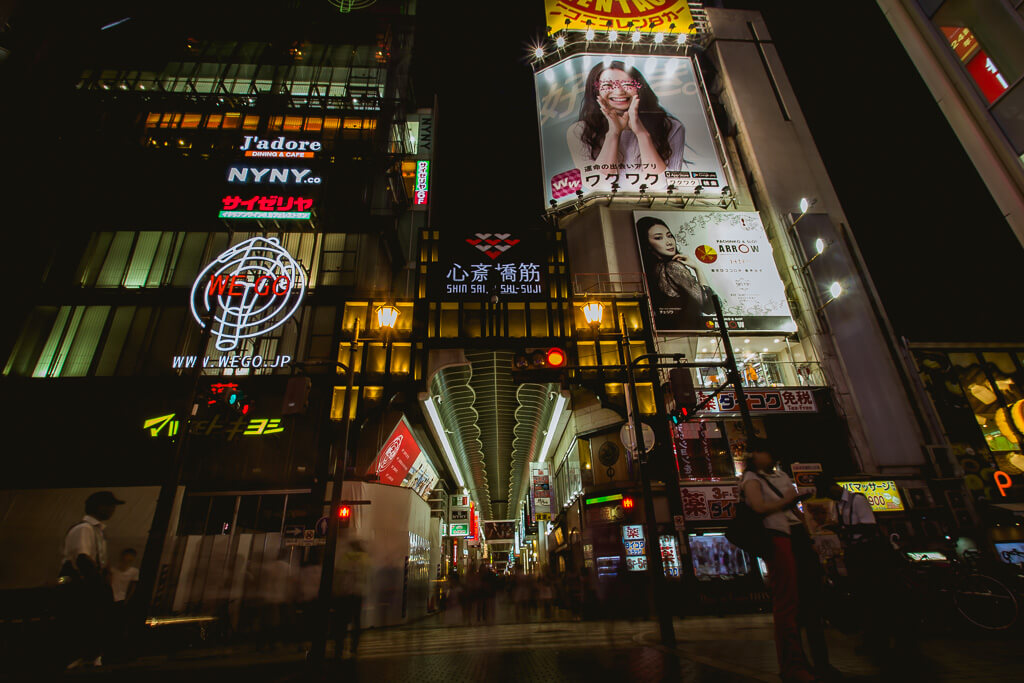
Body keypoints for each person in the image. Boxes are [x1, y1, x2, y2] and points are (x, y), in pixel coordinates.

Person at [741, 442, 832, 682]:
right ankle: (793, 665)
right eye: (762, 452)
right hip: (776, 537)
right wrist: (789, 501)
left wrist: (809, 529)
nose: (766, 456)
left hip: (794, 536)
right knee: (787, 603)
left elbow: (793, 512)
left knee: (806, 601)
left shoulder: (780, 475)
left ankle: (815, 663)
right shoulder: (751, 478)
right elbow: (759, 507)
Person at [567, 61, 685, 187]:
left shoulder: (671, 127)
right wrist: (613, 133)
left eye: (627, 84)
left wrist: (642, 134)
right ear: (595, 91)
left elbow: (665, 185)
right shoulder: (579, 131)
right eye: (607, 85)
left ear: (640, 88)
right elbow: (598, 186)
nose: (619, 92)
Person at [819, 476, 896, 657]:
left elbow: (869, 526)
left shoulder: (857, 500)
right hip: (855, 554)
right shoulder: (839, 506)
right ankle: (870, 639)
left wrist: (843, 530)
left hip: (869, 553)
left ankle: (881, 641)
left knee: (874, 597)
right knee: (862, 597)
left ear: (834, 487)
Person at [59, 491, 124, 670]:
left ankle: (92, 656)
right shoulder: (84, 529)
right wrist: (97, 584)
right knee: (88, 619)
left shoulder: (97, 530)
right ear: (98, 507)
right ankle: (83, 658)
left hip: (90, 581)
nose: (112, 510)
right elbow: (83, 558)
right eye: (110, 506)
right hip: (83, 583)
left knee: (95, 621)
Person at [636, 216, 714, 330]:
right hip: (689, 329)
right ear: (647, 244)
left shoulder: (651, 270)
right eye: (658, 238)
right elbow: (709, 306)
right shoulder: (673, 267)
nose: (668, 242)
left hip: (667, 329)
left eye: (669, 236)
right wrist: (697, 268)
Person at [333, 539, 369, 658]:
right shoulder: (365, 559)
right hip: (358, 593)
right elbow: (368, 577)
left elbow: (338, 575)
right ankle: (354, 646)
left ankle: (339, 646)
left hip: (344, 593)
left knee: (341, 621)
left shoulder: (344, 558)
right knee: (356, 620)